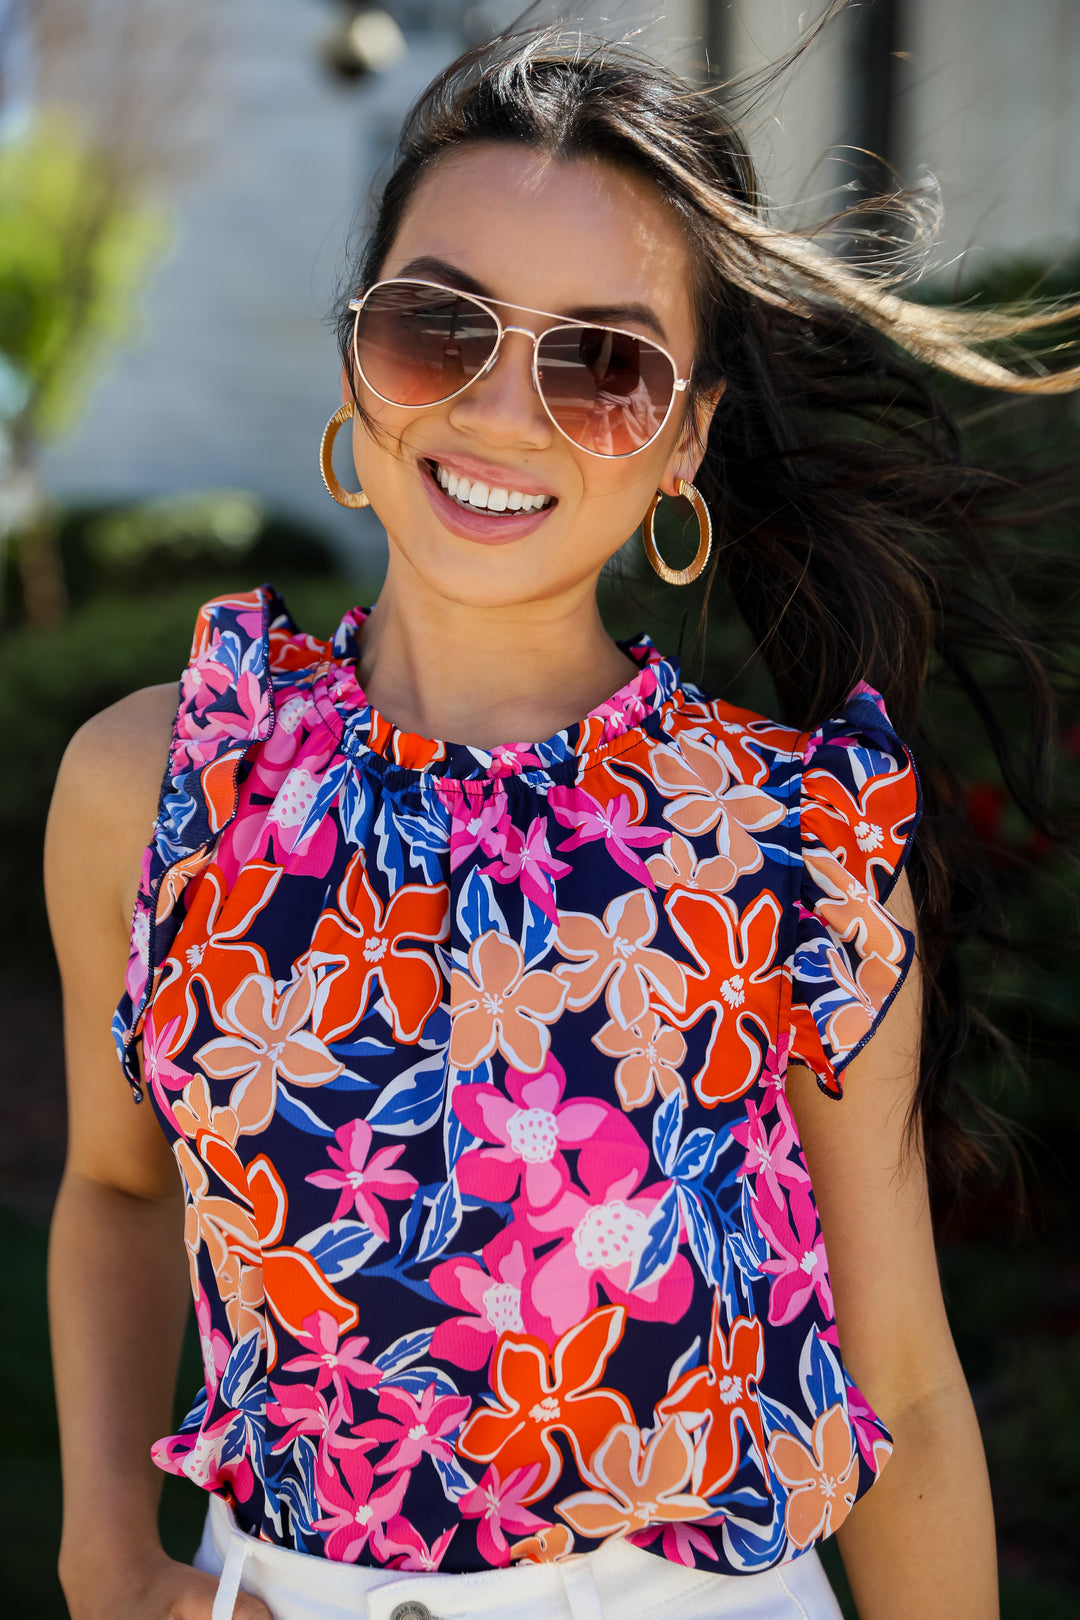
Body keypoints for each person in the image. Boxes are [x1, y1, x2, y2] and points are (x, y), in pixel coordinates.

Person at [45, 25, 1079, 1620]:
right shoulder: (162, 786)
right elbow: (119, 1186)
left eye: (603, 363)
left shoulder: (791, 841)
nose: (502, 408)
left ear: (686, 437)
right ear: (353, 356)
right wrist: (105, 1541)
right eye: (436, 325)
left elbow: (909, 1392)